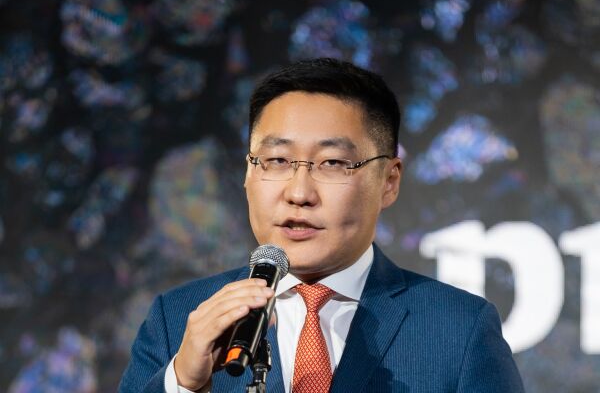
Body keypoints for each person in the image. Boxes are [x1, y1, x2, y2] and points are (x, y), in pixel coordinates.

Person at [119, 58, 524, 393]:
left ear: (389, 182)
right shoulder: (177, 319)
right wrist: (184, 384)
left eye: (332, 163)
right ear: (247, 173)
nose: (299, 193)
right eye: (277, 161)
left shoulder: (459, 330)